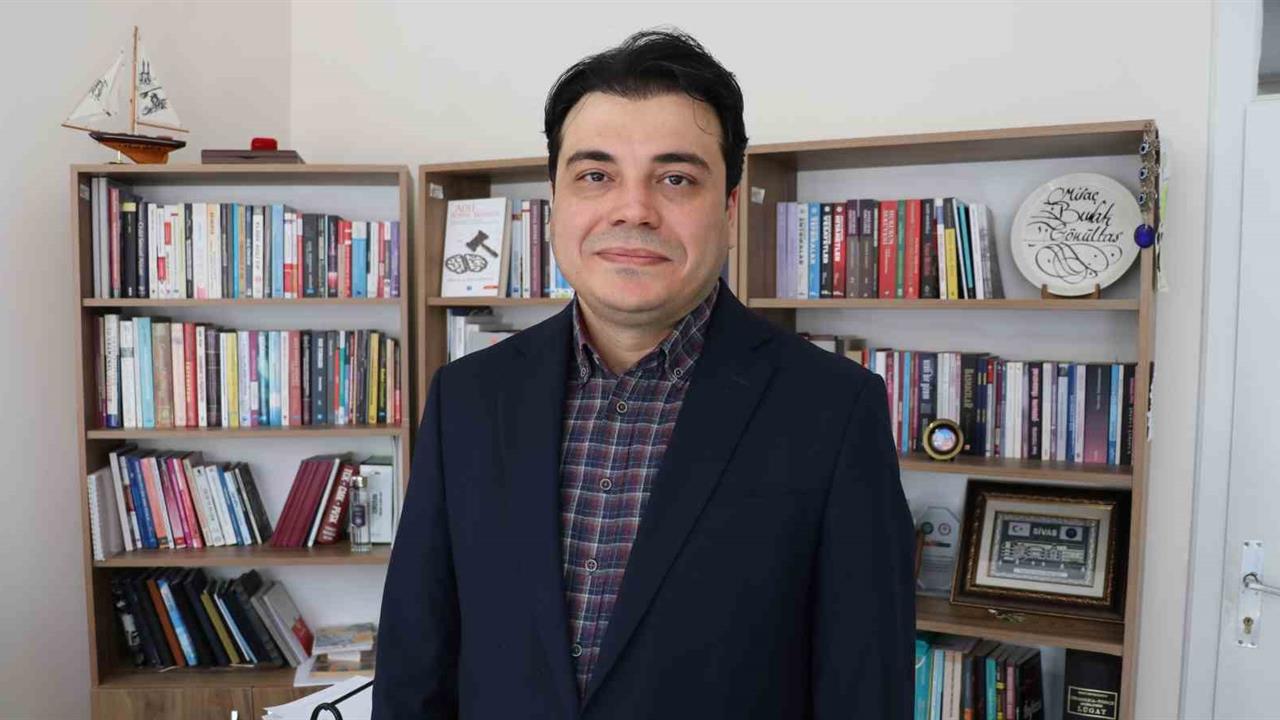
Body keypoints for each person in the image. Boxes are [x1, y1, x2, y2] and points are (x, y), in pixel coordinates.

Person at [373, 28, 914, 719]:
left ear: (728, 208)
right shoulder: (468, 397)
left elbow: (864, 689)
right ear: (554, 202)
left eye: (676, 178)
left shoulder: (835, 409)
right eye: (596, 176)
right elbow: (415, 662)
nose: (633, 209)